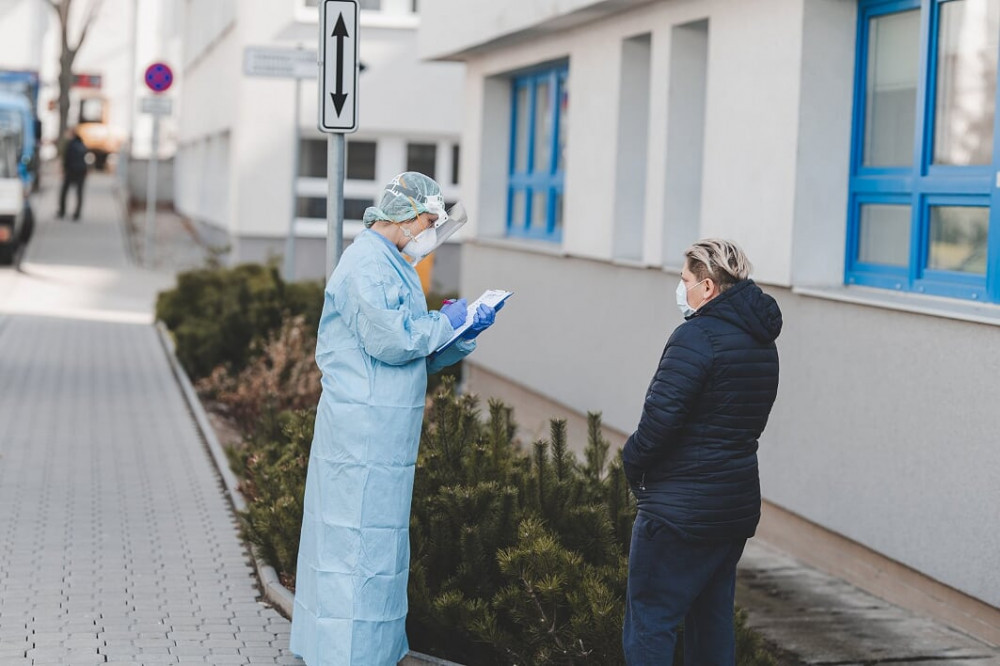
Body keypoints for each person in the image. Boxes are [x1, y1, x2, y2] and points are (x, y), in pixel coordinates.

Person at [290, 172, 501, 666]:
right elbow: (394, 341)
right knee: (351, 544)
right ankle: (344, 654)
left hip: (384, 433)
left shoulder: (394, 262)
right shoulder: (366, 263)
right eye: (428, 221)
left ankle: (371, 651)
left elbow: (415, 352)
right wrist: (442, 323)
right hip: (359, 431)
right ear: (404, 215)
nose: (430, 232)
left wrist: (461, 333)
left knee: (378, 547)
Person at [621, 239, 782, 665]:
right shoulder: (762, 342)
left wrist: (630, 463)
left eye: (685, 280)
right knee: (711, 625)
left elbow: (658, 424)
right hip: (732, 508)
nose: (682, 289)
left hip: (677, 514)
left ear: (707, 287)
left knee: (650, 623)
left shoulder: (695, 337)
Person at [58, 128, 88, 221]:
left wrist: (64, 170)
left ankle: (62, 211)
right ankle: (77, 213)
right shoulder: (82, 144)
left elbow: (67, 158)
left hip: (71, 170)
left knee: (64, 191)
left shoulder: (70, 144)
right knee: (79, 192)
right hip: (81, 170)